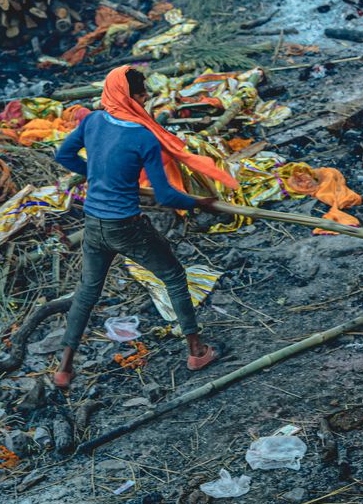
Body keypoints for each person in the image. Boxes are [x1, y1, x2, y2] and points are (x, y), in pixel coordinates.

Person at [52, 65, 239, 389]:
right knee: (174, 277)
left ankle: (64, 369)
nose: (144, 103)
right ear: (133, 98)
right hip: (126, 226)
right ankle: (197, 351)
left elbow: (63, 154)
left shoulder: (93, 121)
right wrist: (202, 203)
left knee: (86, 293)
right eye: (142, 97)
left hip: (93, 223)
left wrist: (94, 174)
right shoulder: (143, 136)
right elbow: (166, 195)